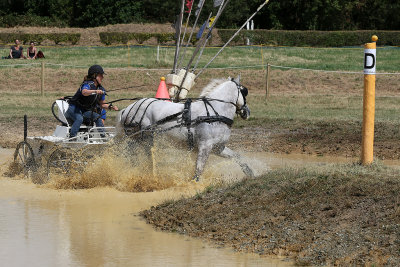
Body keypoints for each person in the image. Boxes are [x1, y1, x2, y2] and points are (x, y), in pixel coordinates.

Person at [65, 65, 118, 139]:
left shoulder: (101, 88)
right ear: (94, 76)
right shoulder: (87, 84)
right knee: (79, 118)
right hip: (73, 109)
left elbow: (102, 104)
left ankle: (104, 138)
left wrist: (110, 107)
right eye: (100, 75)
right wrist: (95, 91)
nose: (102, 77)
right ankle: (72, 138)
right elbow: (84, 92)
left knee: (97, 117)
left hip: (84, 111)